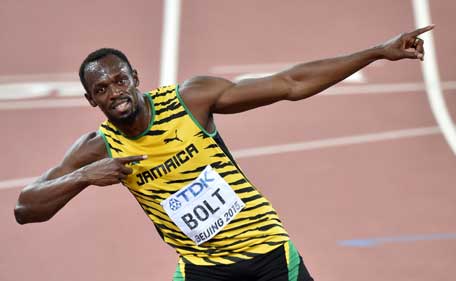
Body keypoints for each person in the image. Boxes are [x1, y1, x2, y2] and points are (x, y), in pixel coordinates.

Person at [14, 25, 434, 281]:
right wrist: (83, 177)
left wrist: (378, 51)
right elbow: (24, 207)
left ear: (135, 78)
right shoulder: (99, 147)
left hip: (268, 253)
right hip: (203, 269)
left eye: (119, 81)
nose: (115, 93)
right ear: (91, 101)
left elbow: (291, 83)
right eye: (101, 90)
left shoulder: (190, 100)